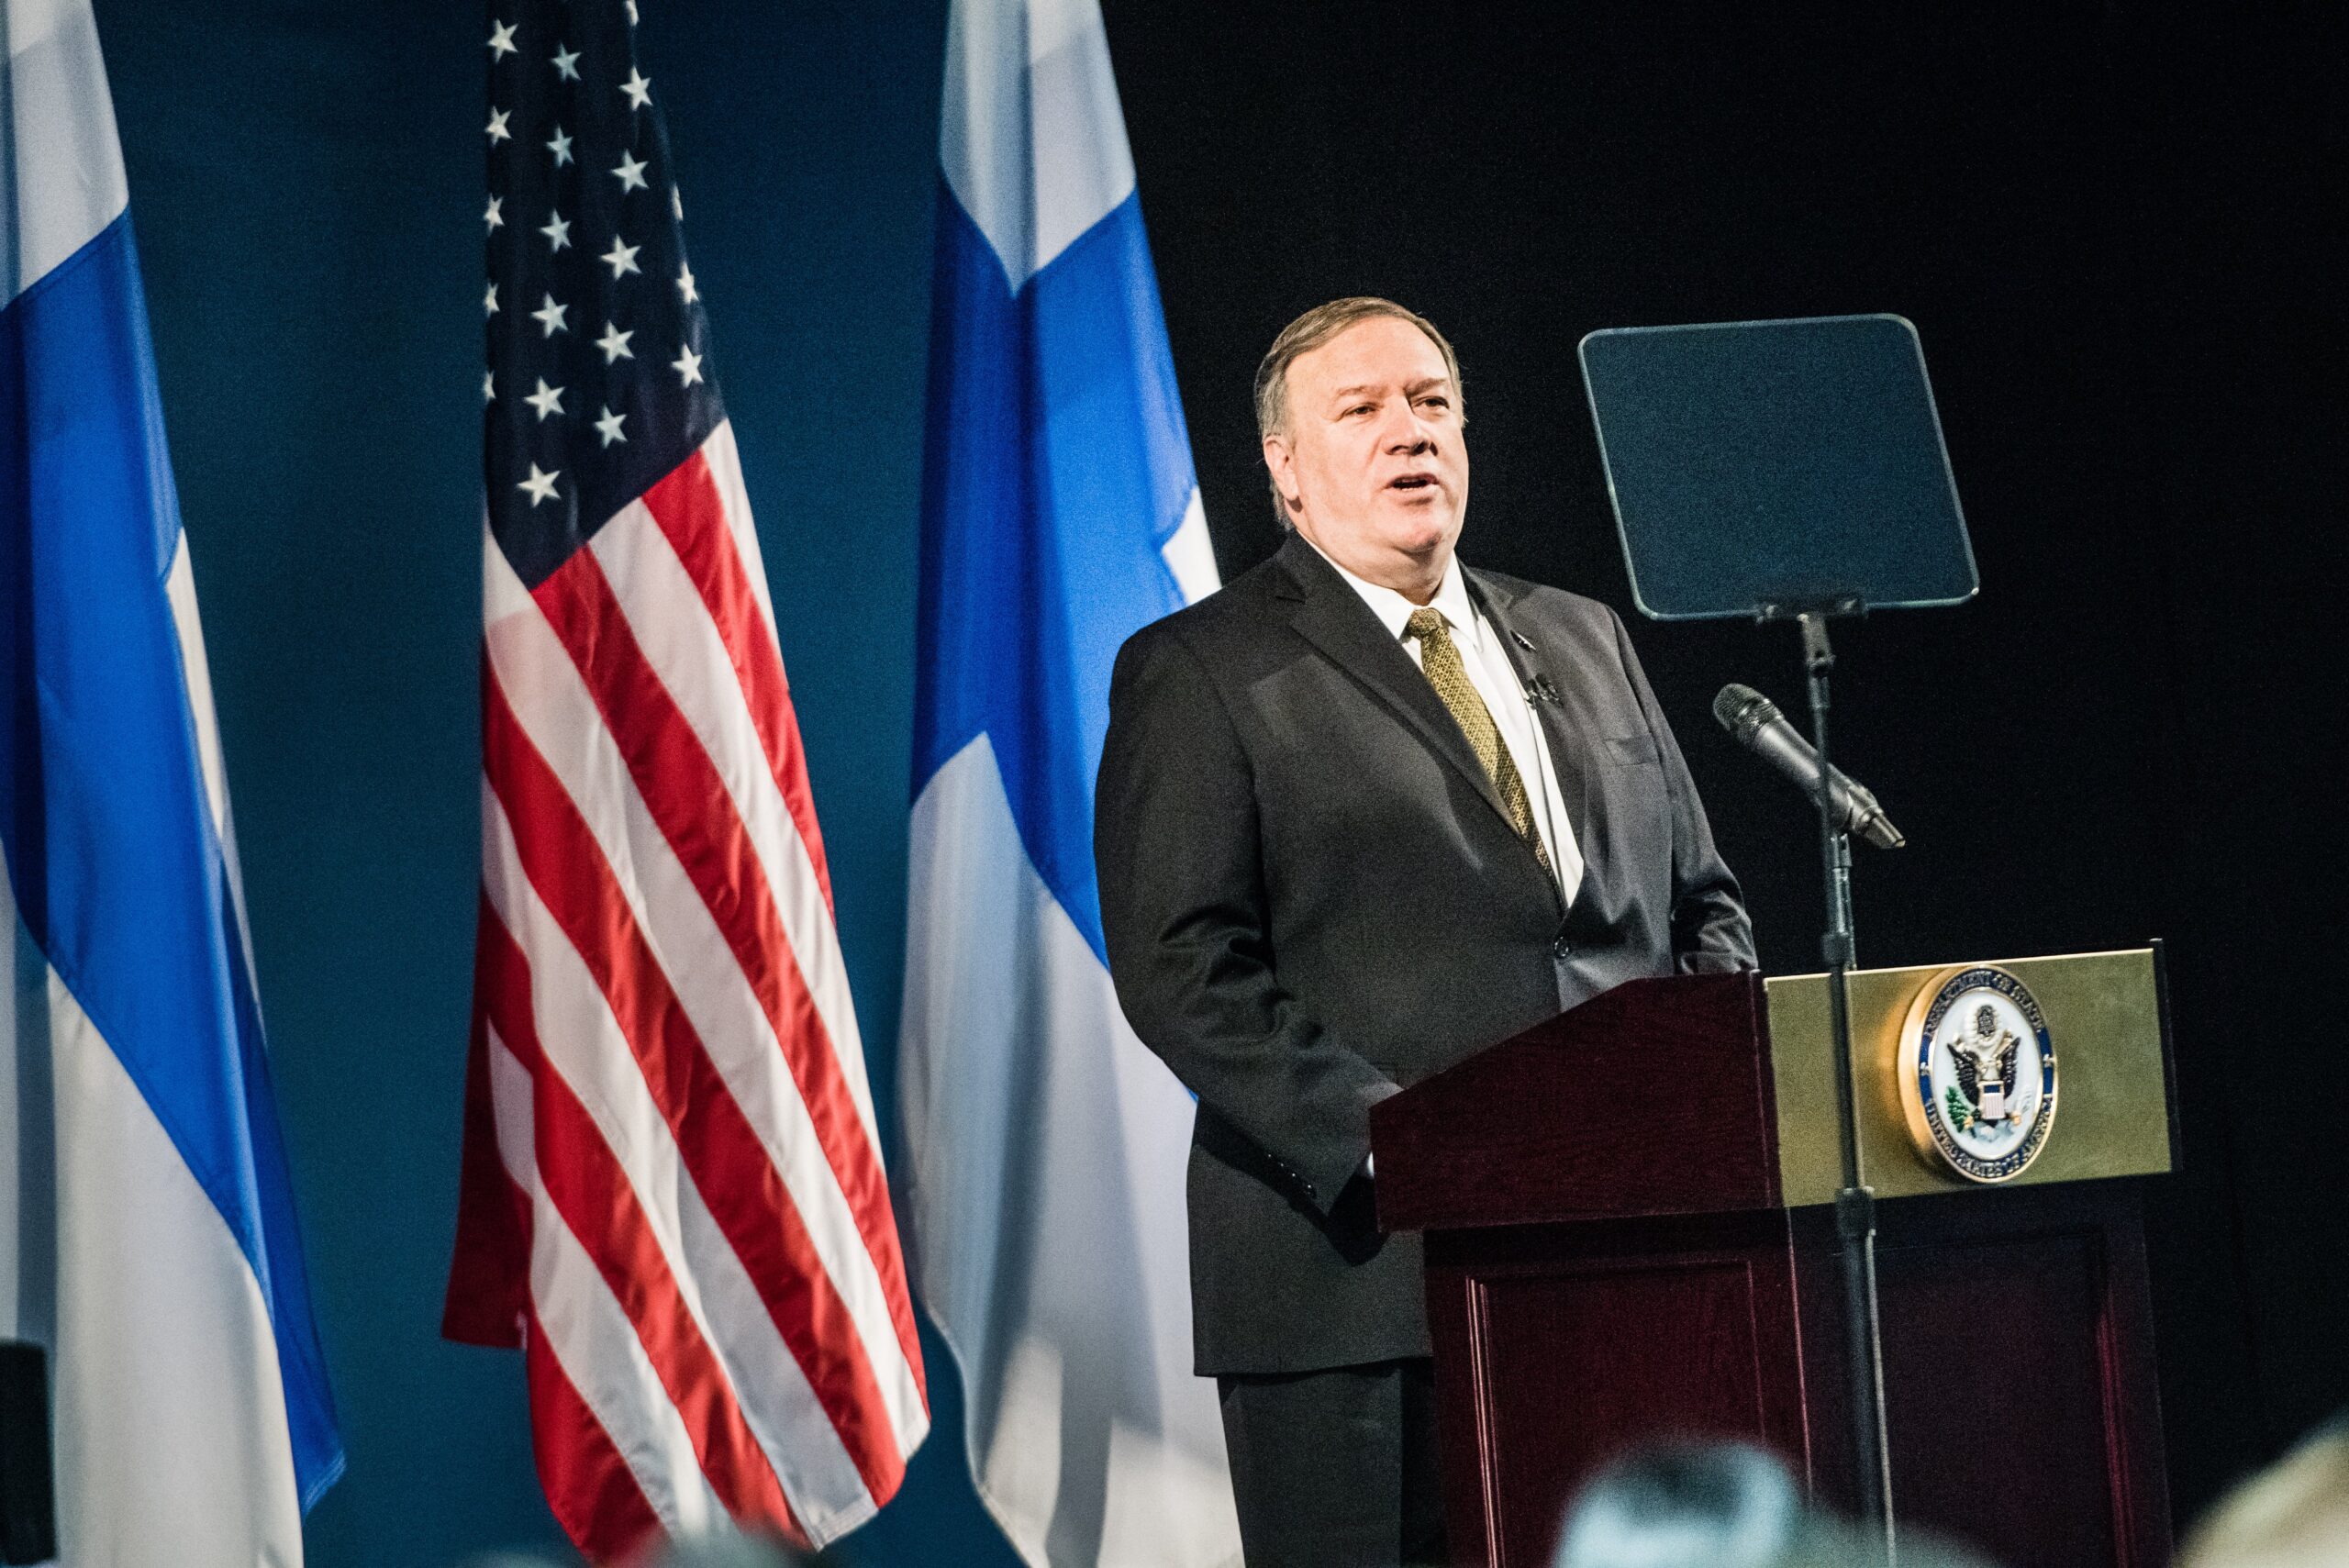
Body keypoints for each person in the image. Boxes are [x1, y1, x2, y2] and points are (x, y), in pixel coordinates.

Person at [1094, 296, 1756, 1567]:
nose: (1410, 431)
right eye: (1362, 409)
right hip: (1363, 1290)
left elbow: (1703, 907)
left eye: (1432, 401)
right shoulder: (1203, 669)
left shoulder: (1584, 633)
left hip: (1623, 1264)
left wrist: (1693, 1101)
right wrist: (1403, 1147)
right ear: (1287, 471)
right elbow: (1181, 964)